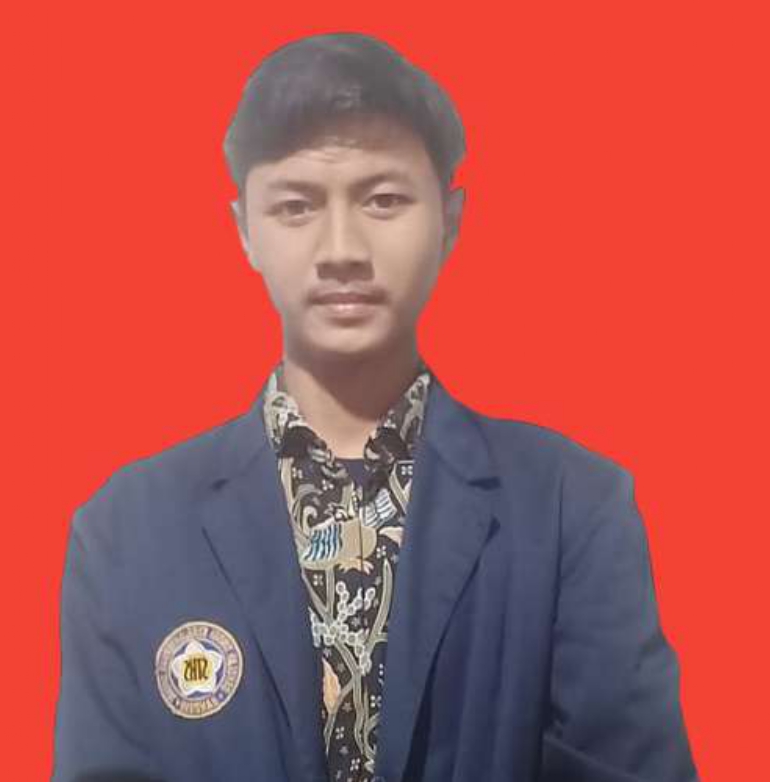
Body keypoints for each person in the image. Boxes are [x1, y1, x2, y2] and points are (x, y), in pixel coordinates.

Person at [52, 32, 699, 782]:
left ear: (450, 219)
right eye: (296, 205)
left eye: (383, 199)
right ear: (244, 231)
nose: (342, 248)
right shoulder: (126, 530)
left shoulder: (570, 508)